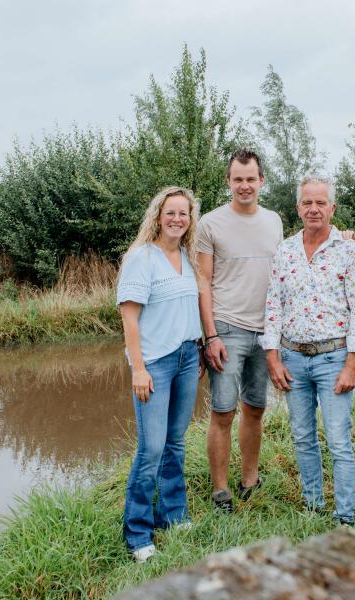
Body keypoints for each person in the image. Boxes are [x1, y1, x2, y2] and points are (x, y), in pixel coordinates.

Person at [263, 175, 355, 525]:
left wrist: (352, 364)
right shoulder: (285, 251)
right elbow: (273, 305)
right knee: (303, 437)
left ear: (332, 208)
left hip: (333, 358)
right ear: (298, 208)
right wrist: (272, 356)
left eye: (320, 202)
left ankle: (344, 516)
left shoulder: (349, 251)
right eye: (307, 202)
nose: (314, 209)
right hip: (293, 357)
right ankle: (313, 506)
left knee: (338, 440)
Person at [117, 186, 204, 562]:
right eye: (171, 212)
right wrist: (138, 369)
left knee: (175, 442)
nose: (177, 219)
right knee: (151, 448)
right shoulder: (142, 257)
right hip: (155, 362)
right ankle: (138, 533)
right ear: (158, 215)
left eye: (183, 213)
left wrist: (199, 348)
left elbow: (189, 309)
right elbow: (129, 318)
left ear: (190, 219)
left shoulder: (187, 255)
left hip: (187, 357)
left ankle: (173, 514)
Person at [197, 149, 283, 512]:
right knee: (223, 412)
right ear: (228, 182)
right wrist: (211, 335)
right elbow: (203, 281)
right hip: (227, 329)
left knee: (255, 408)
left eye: (250, 179)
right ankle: (220, 490)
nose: (244, 185)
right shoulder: (210, 224)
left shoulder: (274, 221)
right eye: (238, 179)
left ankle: (250, 479)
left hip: (266, 332)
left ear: (261, 181)